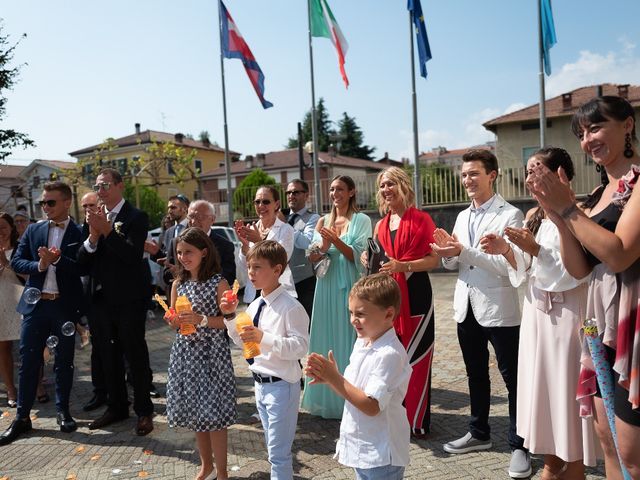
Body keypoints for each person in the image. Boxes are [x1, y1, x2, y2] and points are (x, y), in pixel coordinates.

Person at [527, 96, 640, 479]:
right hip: (599, 329)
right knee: (606, 436)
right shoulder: (596, 196)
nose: (587, 139)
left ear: (627, 125)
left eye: (595, 127)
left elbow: (619, 254)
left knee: (631, 449)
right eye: (581, 133)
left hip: (633, 328)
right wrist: (560, 216)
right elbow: (578, 268)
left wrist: (569, 210)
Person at [480, 148, 596, 479]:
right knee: (540, 387)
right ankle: (549, 462)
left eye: (539, 170)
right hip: (536, 314)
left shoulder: (580, 213)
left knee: (564, 387)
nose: (531, 178)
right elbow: (526, 271)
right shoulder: (535, 215)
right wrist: (508, 250)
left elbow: (576, 272)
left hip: (568, 315)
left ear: (562, 175)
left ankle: (573, 463)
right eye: (528, 171)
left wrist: (535, 250)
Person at [431, 150, 529, 478]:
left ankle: (520, 444)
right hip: (465, 306)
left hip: (499, 308)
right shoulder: (461, 217)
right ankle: (479, 432)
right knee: (475, 374)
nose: (467, 180)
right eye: (464, 175)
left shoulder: (511, 215)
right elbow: (456, 263)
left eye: (474, 173)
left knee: (513, 379)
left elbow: (507, 266)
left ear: (492, 175)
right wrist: (447, 254)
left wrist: (463, 251)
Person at [305, 273, 411, 480]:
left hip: (381, 453)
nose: (353, 320)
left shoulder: (389, 354)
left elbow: (371, 405)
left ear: (389, 314)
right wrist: (330, 379)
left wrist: (335, 377)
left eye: (361, 314)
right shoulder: (362, 342)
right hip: (363, 447)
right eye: (351, 312)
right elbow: (354, 391)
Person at [0, 182, 84, 445]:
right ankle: (22, 418)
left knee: (64, 361)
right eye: (42, 203)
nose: (45, 207)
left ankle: (63, 411)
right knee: (28, 362)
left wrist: (57, 261)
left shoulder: (79, 232)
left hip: (63, 305)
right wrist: (40, 264)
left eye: (50, 202)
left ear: (67, 203)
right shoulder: (34, 229)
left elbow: (83, 268)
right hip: (36, 307)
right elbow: (17, 261)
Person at [222, 240, 309, 480]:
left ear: (277, 270)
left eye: (258, 267)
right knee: (273, 449)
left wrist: (265, 338)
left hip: (282, 386)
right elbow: (243, 342)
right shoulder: (255, 305)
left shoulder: (291, 307)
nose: (251, 273)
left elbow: (300, 347)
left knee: (278, 454)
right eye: (249, 267)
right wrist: (230, 316)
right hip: (259, 385)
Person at [77, 168, 154, 436]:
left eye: (106, 185)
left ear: (120, 186)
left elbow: (132, 256)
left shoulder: (136, 217)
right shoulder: (94, 219)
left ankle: (144, 410)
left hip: (129, 300)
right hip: (100, 301)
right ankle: (117, 406)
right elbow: (82, 264)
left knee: (134, 355)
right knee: (107, 356)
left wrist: (108, 230)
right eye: (97, 187)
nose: (101, 191)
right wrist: (93, 236)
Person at [365, 166, 439, 437]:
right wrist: (368, 259)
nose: (386, 190)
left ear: (403, 186)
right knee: (390, 358)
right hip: (388, 298)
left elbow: (434, 260)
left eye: (391, 184)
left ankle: (416, 421)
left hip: (417, 295)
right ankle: (393, 417)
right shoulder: (380, 224)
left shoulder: (422, 219)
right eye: (382, 185)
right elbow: (376, 259)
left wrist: (403, 265)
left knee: (416, 360)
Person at [165, 228, 236, 480]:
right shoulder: (178, 284)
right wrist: (172, 320)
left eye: (189, 252)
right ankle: (206, 466)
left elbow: (228, 321)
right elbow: (175, 320)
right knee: (197, 413)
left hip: (212, 355)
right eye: (180, 252)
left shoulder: (219, 282)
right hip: (186, 355)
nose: (183, 257)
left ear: (204, 253)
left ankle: (224, 472)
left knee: (214, 415)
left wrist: (201, 319)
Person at [302, 175, 371, 419]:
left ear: (351, 192)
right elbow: (312, 257)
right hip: (325, 286)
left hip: (349, 286)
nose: (335, 194)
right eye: (331, 189)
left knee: (347, 338)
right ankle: (325, 399)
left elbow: (360, 257)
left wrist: (336, 241)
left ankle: (350, 398)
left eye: (340, 189)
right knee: (324, 336)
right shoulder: (323, 220)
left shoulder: (361, 220)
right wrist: (321, 246)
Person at [235, 186, 296, 303]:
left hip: (279, 293)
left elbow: (282, 259)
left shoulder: (286, 229)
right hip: (254, 294)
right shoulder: (250, 229)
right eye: (257, 202)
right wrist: (245, 247)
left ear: (277, 204)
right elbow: (244, 268)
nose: (261, 206)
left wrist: (259, 242)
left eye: (266, 201)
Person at [163, 200, 236, 289]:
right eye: (191, 217)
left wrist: (194, 272)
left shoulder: (225, 246)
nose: (193, 221)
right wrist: (178, 272)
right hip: (184, 299)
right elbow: (166, 275)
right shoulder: (176, 242)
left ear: (212, 219)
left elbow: (229, 277)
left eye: (199, 217)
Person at [284, 179, 320, 318]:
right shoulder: (282, 216)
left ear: (306, 195)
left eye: (295, 192)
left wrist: (286, 226)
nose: (291, 196)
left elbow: (307, 242)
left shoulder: (313, 218)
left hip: (304, 282)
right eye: (288, 192)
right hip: (281, 282)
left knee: (306, 325)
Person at [0, 212, 22, 409]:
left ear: (11, 228)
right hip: (1, 302)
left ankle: (38, 386)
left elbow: (27, 273)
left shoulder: (20, 248)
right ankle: (11, 389)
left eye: (3, 227)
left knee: (29, 346)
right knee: (4, 348)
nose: (0, 232)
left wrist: (5, 262)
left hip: (20, 299)